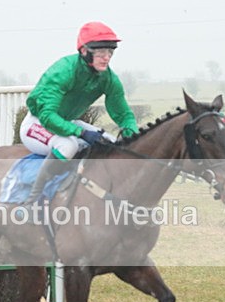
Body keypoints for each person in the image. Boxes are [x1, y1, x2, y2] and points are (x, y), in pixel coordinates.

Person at [19, 21, 139, 203]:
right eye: (101, 52)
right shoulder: (64, 70)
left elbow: (123, 115)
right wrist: (81, 133)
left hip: (68, 122)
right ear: (84, 51)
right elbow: (47, 115)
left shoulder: (109, 78)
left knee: (112, 144)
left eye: (110, 52)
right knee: (68, 146)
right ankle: (32, 199)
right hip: (38, 123)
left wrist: (133, 137)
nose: (106, 57)